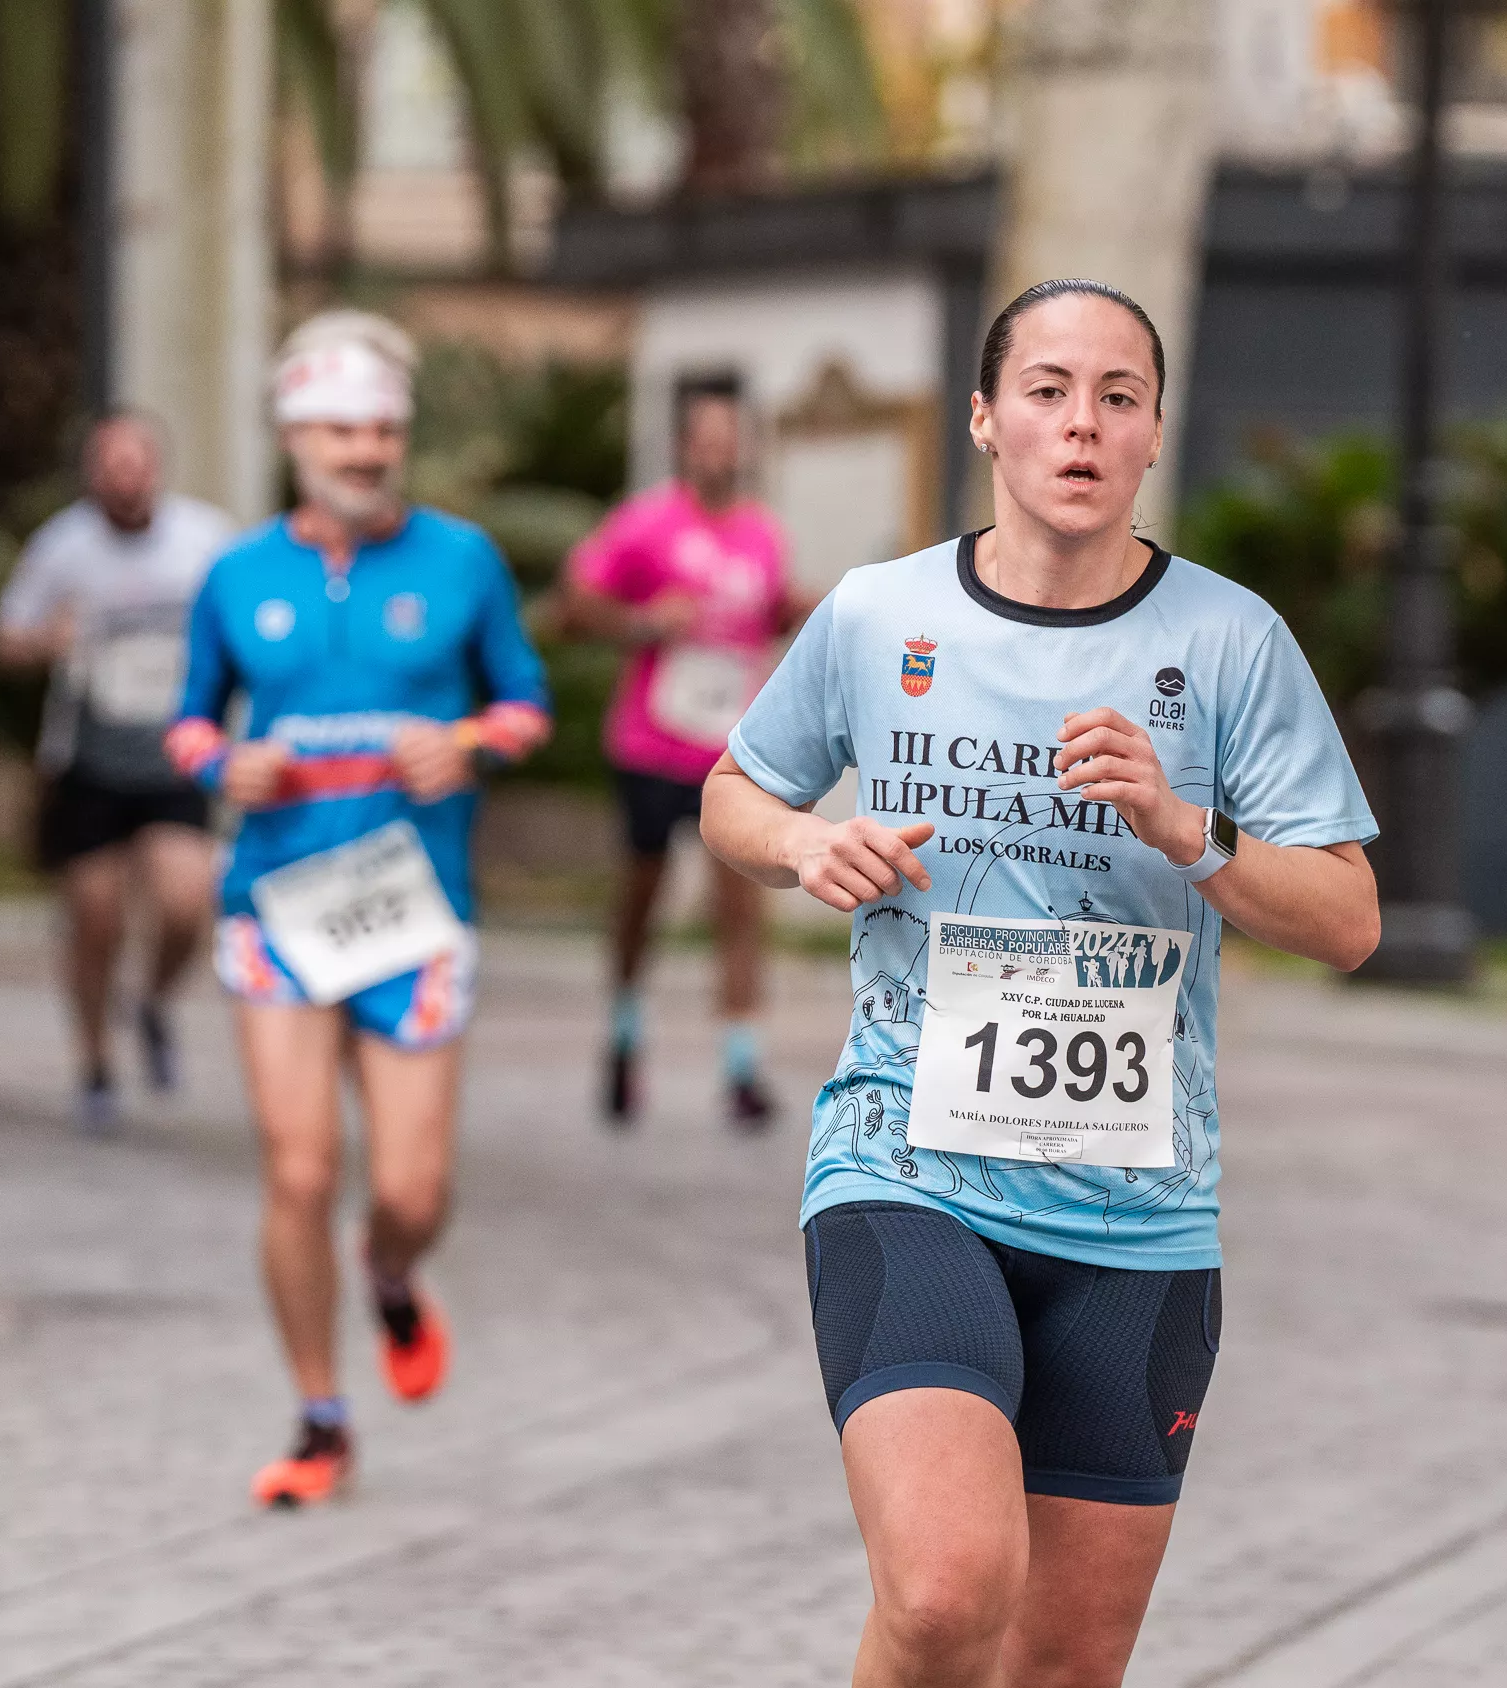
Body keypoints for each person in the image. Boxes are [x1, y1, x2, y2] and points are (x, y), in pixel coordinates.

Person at [700, 279, 1381, 1686]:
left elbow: (1349, 919)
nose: (1083, 424)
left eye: (1118, 397)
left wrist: (1188, 831)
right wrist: (805, 842)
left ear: (1151, 436)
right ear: (987, 420)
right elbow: (732, 792)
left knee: (1065, 1666)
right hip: (908, 1165)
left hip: (1136, 1214)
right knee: (950, 1592)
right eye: (1051, 391)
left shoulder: (1231, 644)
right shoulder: (876, 618)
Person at [161, 310, 553, 1509]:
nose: (368, 448)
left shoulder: (464, 561)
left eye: (384, 427)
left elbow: (527, 705)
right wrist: (219, 765)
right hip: (275, 907)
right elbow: (187, 722)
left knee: (409, 1193)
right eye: (342, 427)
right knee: (298, 1169)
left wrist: (472, 742)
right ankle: (321, 1418)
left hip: (412, 912)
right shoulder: (237, 576)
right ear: (294, 435)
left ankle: (388, 1273)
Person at [563, 372, 808, 1129]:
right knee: (642, 896)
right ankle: (624, 1033)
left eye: (731, 438)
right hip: (649, 742)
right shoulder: (645, 525)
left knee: (740, 903)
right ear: (683, 447)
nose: (719, 451)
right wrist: (640, 623)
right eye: (706, 438)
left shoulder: (763, 532)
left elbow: (767, 615)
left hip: (731, 752)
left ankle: (741, 1068)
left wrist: (819, 610)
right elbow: (573, 607)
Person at [0, 412, 239, 1134]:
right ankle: (96, 1063)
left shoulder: (206, 540)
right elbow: (2, 640)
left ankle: (153, 1002)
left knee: (188, 899)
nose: (125, 477)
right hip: (89, 757)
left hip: (173, 755)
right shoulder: (63, 547)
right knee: (94, 918)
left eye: (138, 462)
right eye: (110, 464)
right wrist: (44, 637)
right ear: (92, 474)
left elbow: (250, 625)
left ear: (158, 467)